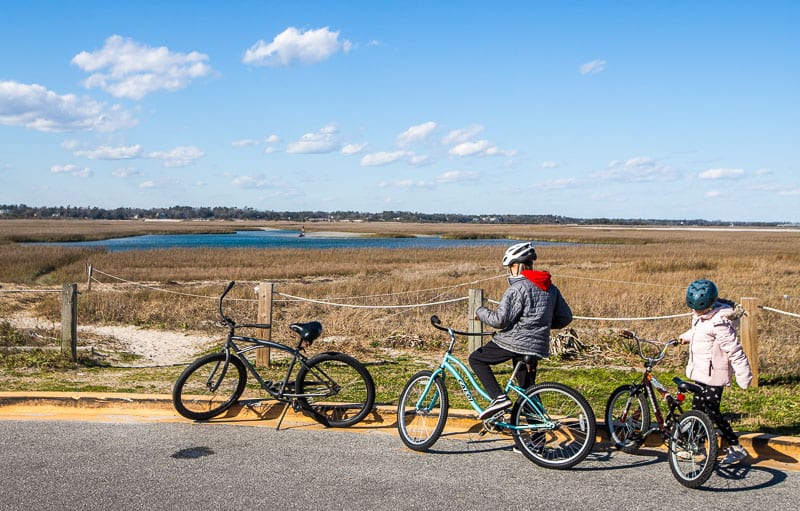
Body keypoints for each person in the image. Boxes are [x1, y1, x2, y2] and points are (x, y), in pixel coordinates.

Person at [469, 242, 573, 419]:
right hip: (537, 346)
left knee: (476, 359)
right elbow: (565, 318)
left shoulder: (517, 288)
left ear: (517, 266)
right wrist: (541, 326)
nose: (509, 271)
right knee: (528, 390)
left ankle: (498, 398)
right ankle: (536, 442)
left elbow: (500, 321)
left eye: (510, 267)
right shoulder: (550, 288)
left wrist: (480, 311)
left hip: (514, 342)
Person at [679, 279, 752, 466]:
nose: (696, 312)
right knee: (697, 411)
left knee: (712, 413)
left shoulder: (720, 323)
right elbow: (700, 332)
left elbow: (734, 351)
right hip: (700, 372)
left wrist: (743, 375)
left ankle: (736, 448)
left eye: (700, 310)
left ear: (710, 304)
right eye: (694, 309)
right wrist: (685, 337)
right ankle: (695, 446)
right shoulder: (701, 316)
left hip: (714, 377)